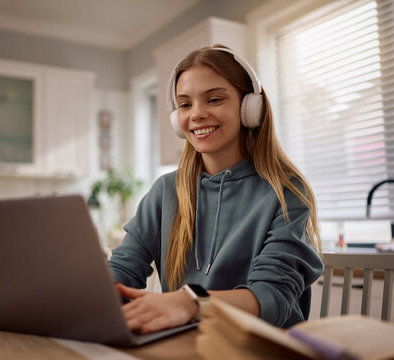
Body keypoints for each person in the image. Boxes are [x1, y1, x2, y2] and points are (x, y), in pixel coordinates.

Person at [107, 44, 324, 334]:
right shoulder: (165, 191)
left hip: (259, 348)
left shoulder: (285, 192)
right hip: (187, 346)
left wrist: (190, 303)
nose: (196, 114)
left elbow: (273, 297)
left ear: (249, 107)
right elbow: (123, 269)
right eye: (185, 104)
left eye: (214, 99)